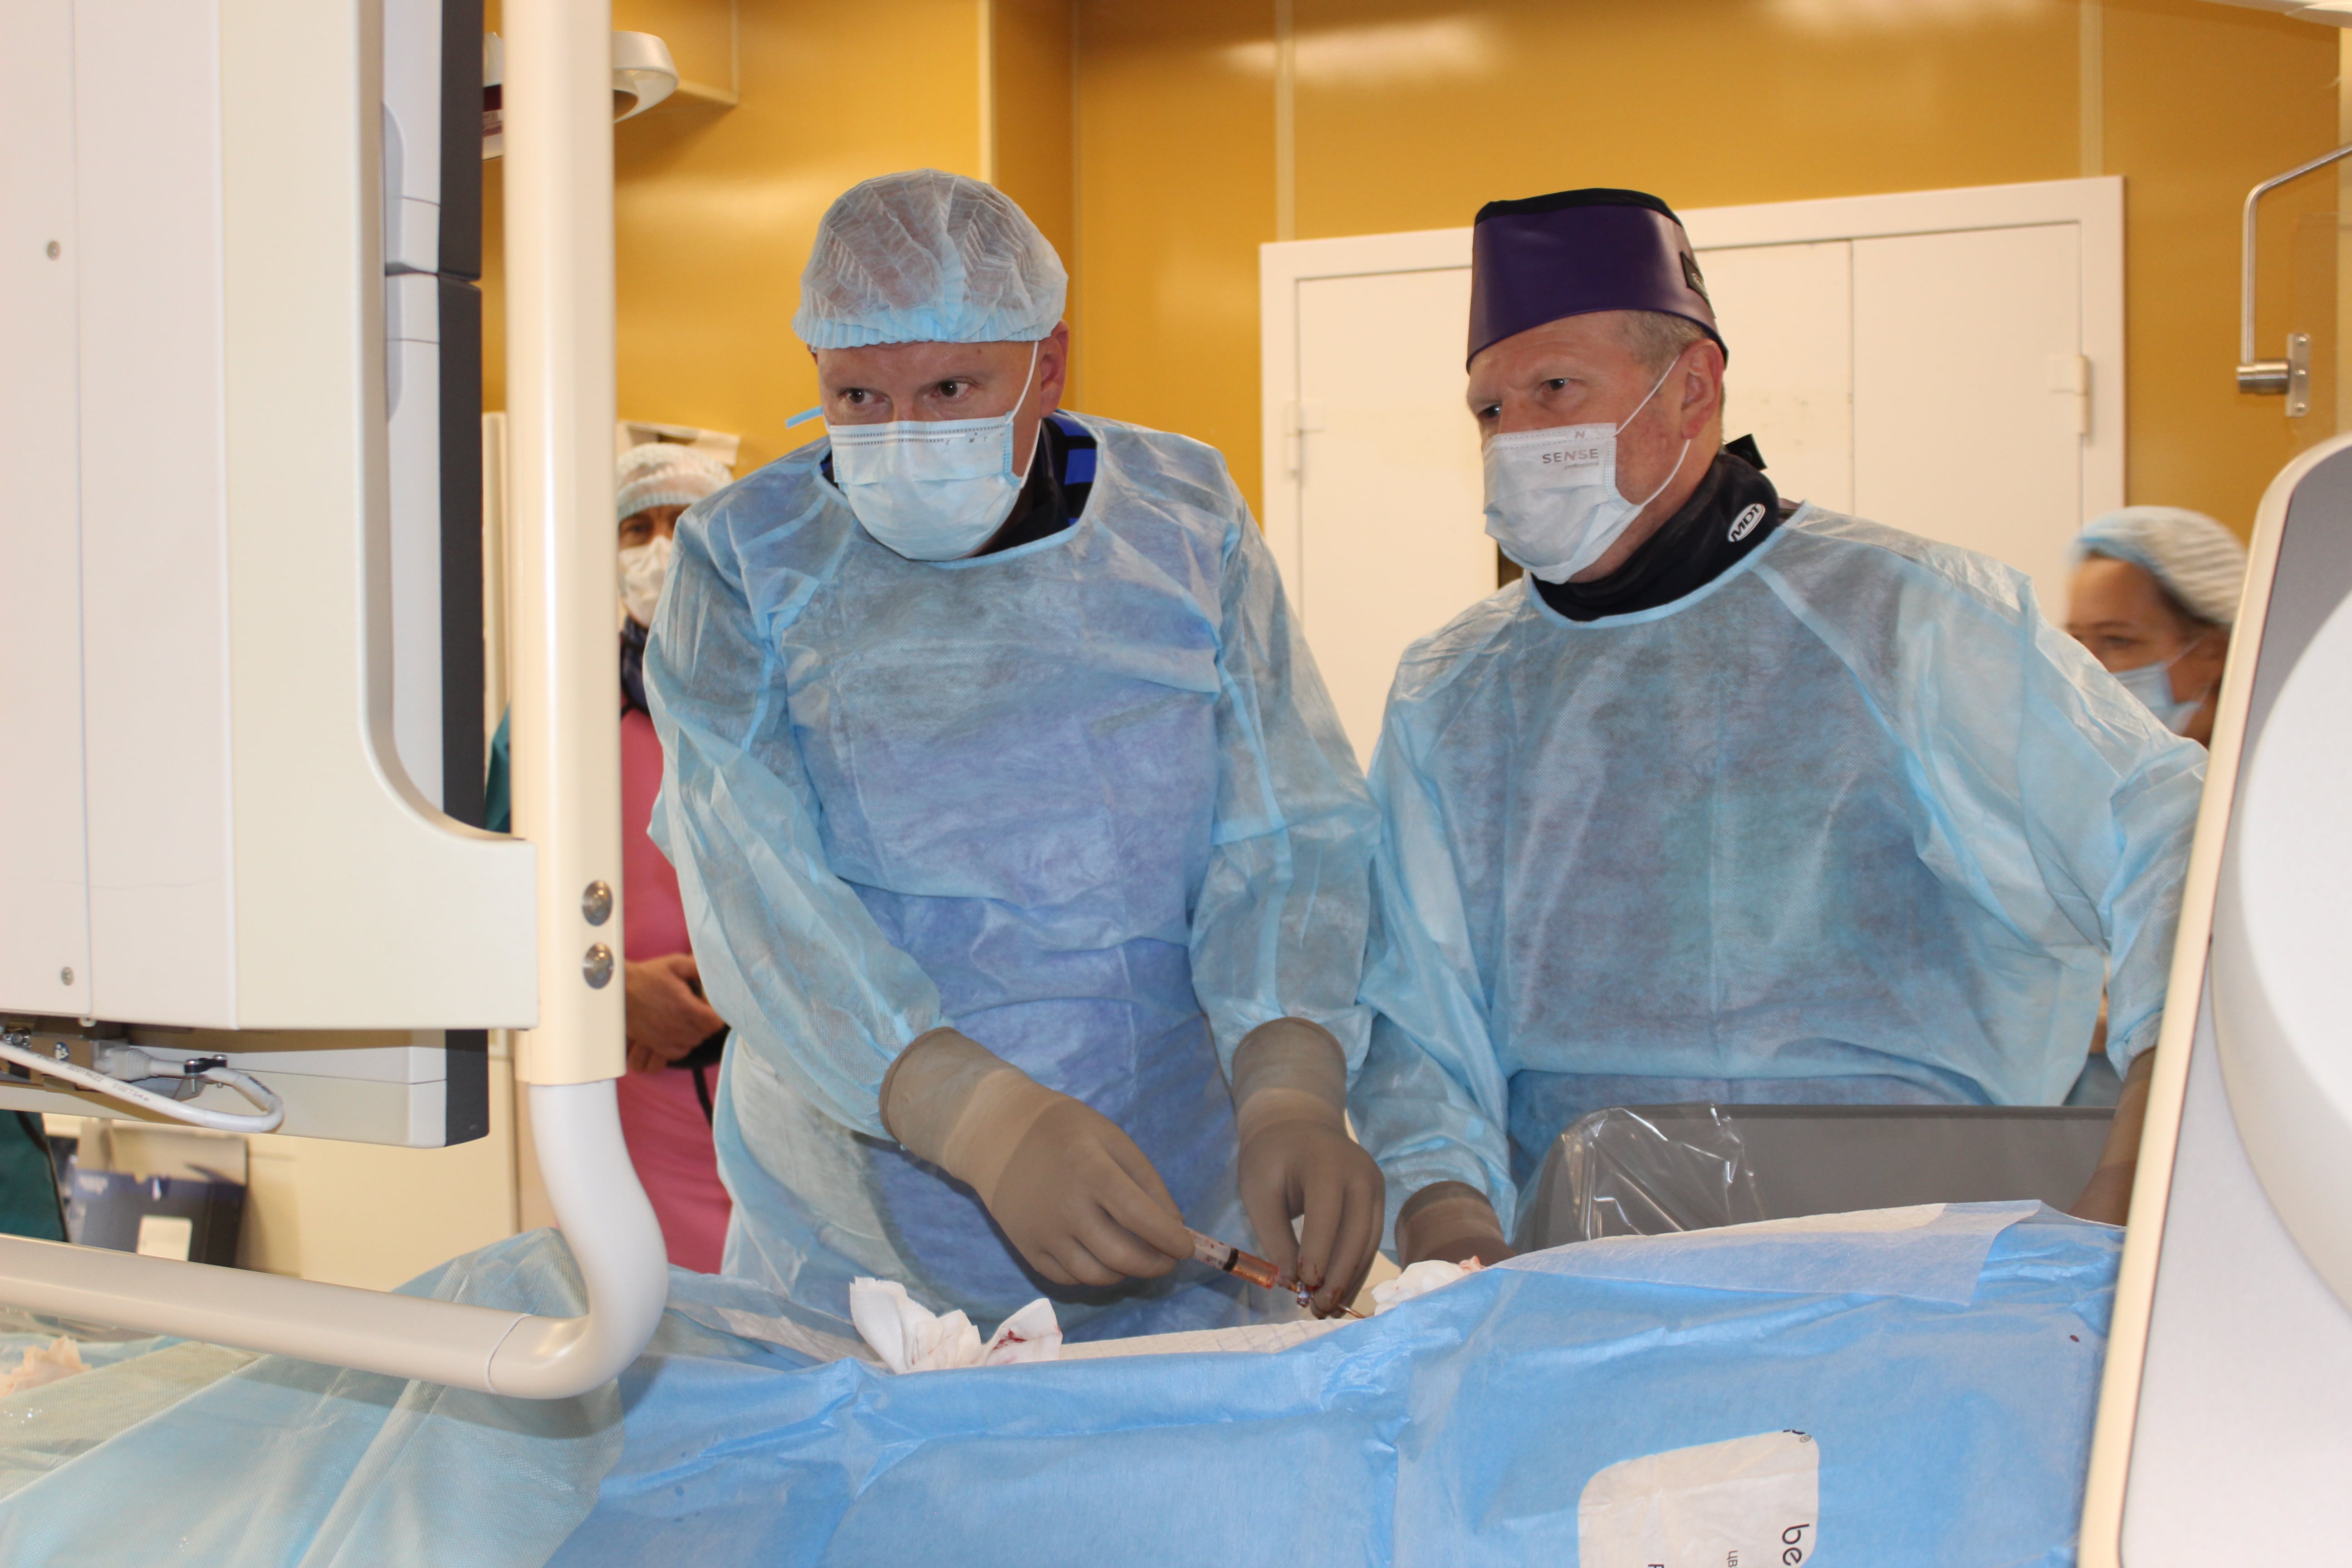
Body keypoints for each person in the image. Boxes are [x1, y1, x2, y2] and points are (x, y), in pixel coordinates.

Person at [1352, 188, 2206, 1263]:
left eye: (1556, 389)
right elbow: (1413, 1008)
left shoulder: (1911, 618)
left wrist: (2150, 1142)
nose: (1517, 436)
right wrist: (1445, 1214)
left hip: (1916, 1260)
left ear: (1692, 388)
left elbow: (2170, 840)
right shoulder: (1454, 693)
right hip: (1585, 1274)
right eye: (1489, 411)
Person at [645, 170, 1380, 1335]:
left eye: (951, 388)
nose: (904, 435)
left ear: (1049, 363)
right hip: (859, 1237)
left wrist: (1288, 1078)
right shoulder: (747, 559)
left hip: (1181, 1187)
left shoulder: (1181, 519)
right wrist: (971, 1112)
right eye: (857, 396)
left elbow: (1282, 821)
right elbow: (752, 885)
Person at [485, 442, 740, 1271]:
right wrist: (607, 988)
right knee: (638, 1303)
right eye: (638, 528)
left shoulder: (784, 694)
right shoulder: (556, 717)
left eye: (684, 524)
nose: (659, 549)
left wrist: (746, 992)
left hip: (781, 1091)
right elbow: (486, 904)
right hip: (623, 1092)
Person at [2066, 506, 2246, 747]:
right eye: (2076, 639)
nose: (2085, 671)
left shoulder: (2278, 764)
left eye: (2117, 640)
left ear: (2213, 653)